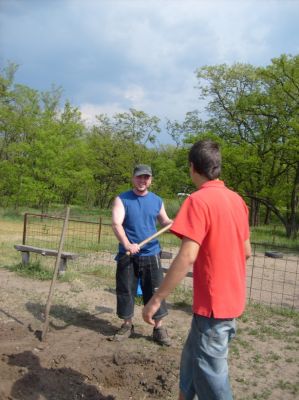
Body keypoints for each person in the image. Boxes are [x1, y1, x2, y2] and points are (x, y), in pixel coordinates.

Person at [143, 140, 251, 399]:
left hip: (213, 308)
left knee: (214, 385)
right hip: (228, 304)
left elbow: (188, 255)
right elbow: (247, 252)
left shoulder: (198, 201)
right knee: (191, 363)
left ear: (192, 167)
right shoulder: (237, 201)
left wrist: (157, 299)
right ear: (216, 167)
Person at [111, 164, 173, 345]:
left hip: (151, 252)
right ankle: (126, 325)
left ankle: (158, 328)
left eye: (146, 177)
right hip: (128, 254)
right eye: (139, 177)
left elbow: (164, 221)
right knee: (126, 290)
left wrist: (171, 222)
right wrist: (127, 244)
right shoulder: (122, 199)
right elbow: (116, 223)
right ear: (133, 178)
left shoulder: (157, 200)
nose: (142, 181)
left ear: (150, 180)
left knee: (155, 292)